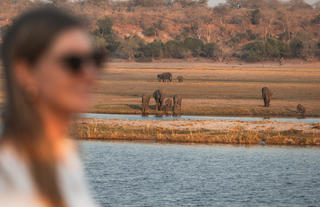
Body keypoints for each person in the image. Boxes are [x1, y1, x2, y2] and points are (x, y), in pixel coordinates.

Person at [0, 6, 106, 207]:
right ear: (25, 72)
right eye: (73, 62)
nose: (90, 74)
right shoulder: (9, 179)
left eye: (96, 60)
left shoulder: (66, 158)